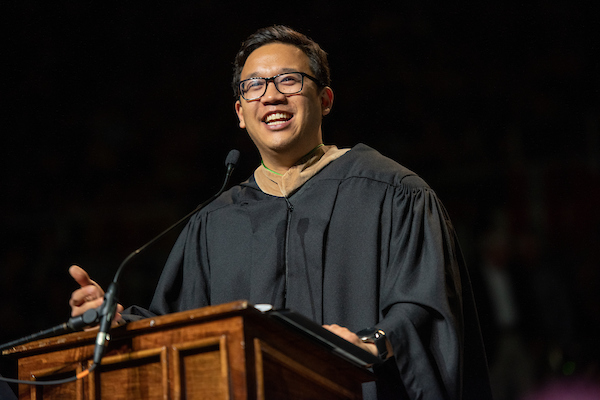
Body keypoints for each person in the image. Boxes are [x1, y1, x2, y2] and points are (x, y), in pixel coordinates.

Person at [69, 25, 492, 399]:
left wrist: (374, 341)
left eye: (288, 80)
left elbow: (426, 305)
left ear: (325, 99)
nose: (271, 95)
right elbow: (176, 325)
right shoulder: (214, 222)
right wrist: (116, 319)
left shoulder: (393, 193)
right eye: (253, 86)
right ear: (240, 112)